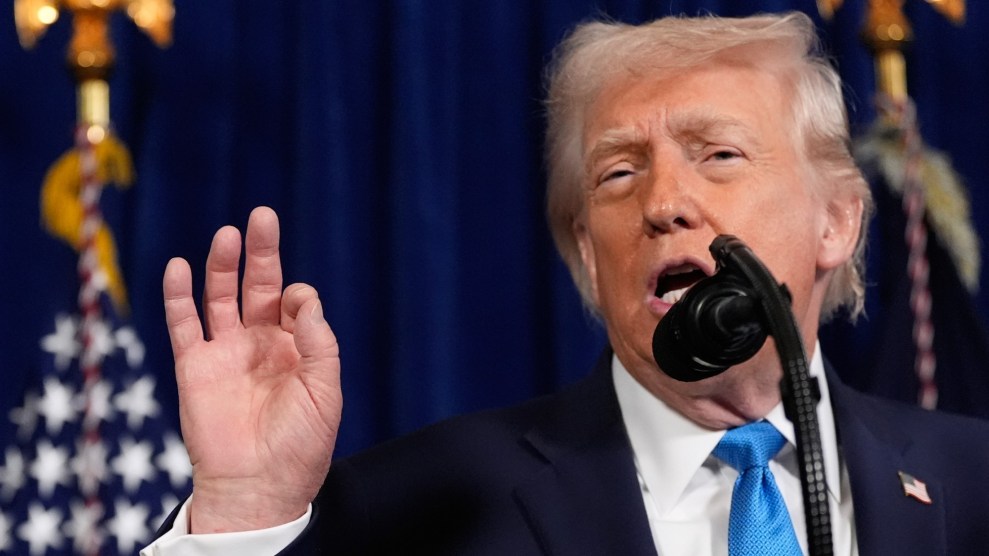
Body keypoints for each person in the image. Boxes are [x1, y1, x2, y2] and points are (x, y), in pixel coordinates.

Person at [144, 11, 989, 556]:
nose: (662, 204)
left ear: (835, 222)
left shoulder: (974, 481)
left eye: (717, 155)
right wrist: (243, 515)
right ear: (588, 254)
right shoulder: (425, 508)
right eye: (618, 175)